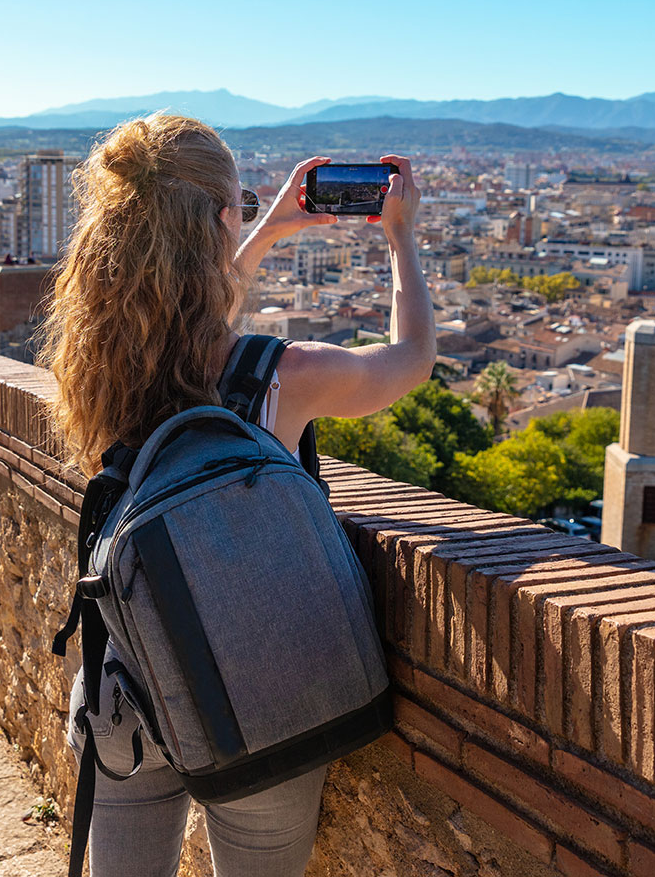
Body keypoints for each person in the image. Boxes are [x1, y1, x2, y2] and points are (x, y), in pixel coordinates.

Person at [39, 112, 434, 877]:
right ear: (221, 219)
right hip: (254, 699)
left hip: (129, 680)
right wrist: (402, 239)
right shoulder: (280, 376)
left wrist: (264, 226)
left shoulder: (106, 365)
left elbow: (183, 314)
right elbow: (411, 359)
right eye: (240, 209)